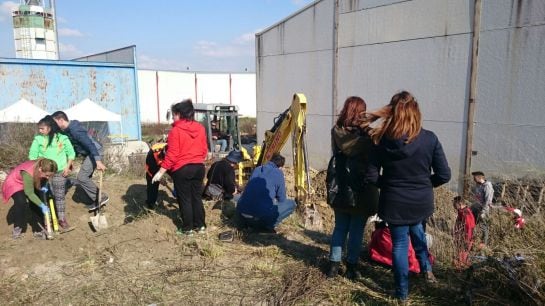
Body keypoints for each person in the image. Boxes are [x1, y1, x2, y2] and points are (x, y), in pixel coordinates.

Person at [364, 91, 451, 303]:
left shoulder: (381, 140)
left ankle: (402, 294)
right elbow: (444, 175)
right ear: (416, 113)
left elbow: (371, 176)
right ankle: (427, 271)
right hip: (421, 200)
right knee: (418, 231)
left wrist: (391, 186)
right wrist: (423, 184)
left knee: (401, 244)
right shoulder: (429, 138)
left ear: (392, 112)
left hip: (394, 202)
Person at [326, 96, 378, 280]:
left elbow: (336, 155)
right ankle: (351, 267)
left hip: (340, 185)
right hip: (361, 188)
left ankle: (333, 266)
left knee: (340, 228)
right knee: (356, 230)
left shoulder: (336, 131)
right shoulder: (368, 136)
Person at [151, 99, 208, 236]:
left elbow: (172, 155)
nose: (173, 117)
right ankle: (200, 225)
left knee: (185, 199)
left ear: (180, 114)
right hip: (199, 167)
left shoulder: (175, 131)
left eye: (174, 114)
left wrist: (160, 172)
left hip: (182, 169)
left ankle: (187, 228)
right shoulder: (200, 128)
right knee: (196, 197)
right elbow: (204, 150)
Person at [51, 111, 108, 211]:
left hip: (95, 152)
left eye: (54, 122)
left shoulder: (75, 130)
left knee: (82, 177)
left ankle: (101, 197)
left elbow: (90, 144)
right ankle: (95, 200)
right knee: (85, 177)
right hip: (89, 153)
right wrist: (71, 161)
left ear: (61, 120)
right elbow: (76, 146)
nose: (53, 125)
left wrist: (98, 161)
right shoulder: (67, 130)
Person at [28, 115, 76, 231]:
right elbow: (32, 156)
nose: (39, 131)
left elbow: (71, 153)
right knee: (44, 197)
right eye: (39, 129)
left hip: (60, 172)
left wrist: (67, 166)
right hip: (43, 174)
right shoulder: (38, 139)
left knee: (59, 196)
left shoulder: (62, 138)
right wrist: (40, 169)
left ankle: (62, 219)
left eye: (42, 128)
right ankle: (47, 221)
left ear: (50, 127)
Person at [236, 152, 296, 233]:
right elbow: (282, 199)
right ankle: (267, 226)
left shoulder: (257, 169)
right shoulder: (278, 173)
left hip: (241, 216)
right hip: (258, 221)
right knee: (291, 204)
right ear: (280, 167)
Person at [2, 158, 58, 239]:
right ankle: (17, 229)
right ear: (40, 169)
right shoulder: (28, 172)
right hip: (15, 182)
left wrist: (44, 185)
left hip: (31, 180)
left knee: (36, 201)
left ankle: (38, 229)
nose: (48, 178)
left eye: (50, 176)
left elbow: (44, 178)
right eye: (47, 175)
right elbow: (29, 193)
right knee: (21, 202)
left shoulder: (43, 167)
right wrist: (42, 205)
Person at [471, 171, 494, 246]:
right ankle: (471, 238)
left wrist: (483, 212)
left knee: (484, 226)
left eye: (475, 177)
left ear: (479, 177)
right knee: (471, 223)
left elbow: (488, 200)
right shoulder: (478, 185)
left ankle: (484, 242)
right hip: (476, 208)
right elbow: (477, 197)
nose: (473, 179)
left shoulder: (487, 186)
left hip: (483, 209)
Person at [452, 196, 475, 269]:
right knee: (459, 256)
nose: (453, 205)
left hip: (465, 239)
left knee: (462, 257)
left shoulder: (466, 213)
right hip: (460, 238)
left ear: (460, 203)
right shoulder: (461, 211)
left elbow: (469, 228)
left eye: (454, 204)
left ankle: (461, 270)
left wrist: (466, 240)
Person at [145, 142, 167, 209]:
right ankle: (150, 204)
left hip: (161, 164)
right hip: (152, 169)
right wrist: (160, 178)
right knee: (153, 185)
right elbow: (152, 168)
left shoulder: (172, 150)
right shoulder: (152, 152)